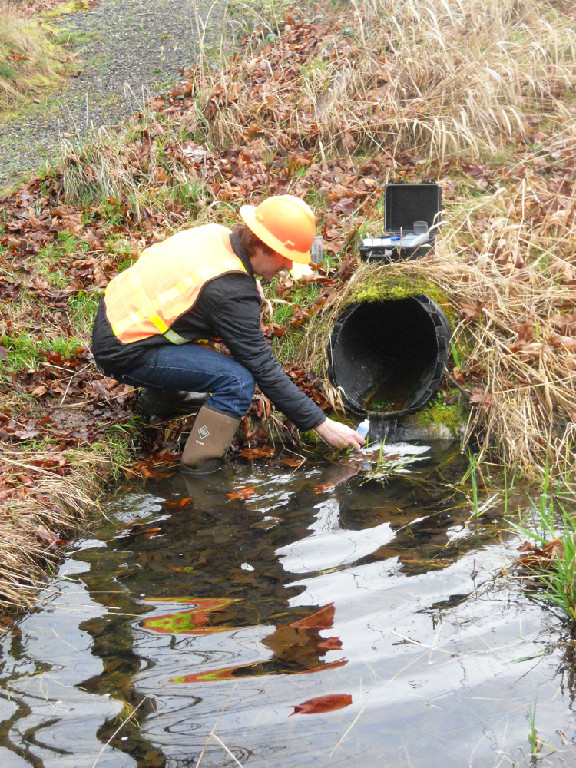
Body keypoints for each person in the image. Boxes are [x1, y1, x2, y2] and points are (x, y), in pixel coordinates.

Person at [91, 194, 365, 472]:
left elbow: (194, 289)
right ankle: (199, 467)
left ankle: (160, 400)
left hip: (114, 315)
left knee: (210, 348)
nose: (288, 267)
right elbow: (264, 370)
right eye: (286, 258)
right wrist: (322, 425)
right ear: (264, 247)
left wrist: (242, 287)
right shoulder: (230, 292)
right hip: (123, 350)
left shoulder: (217, 235)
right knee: (237, 382)